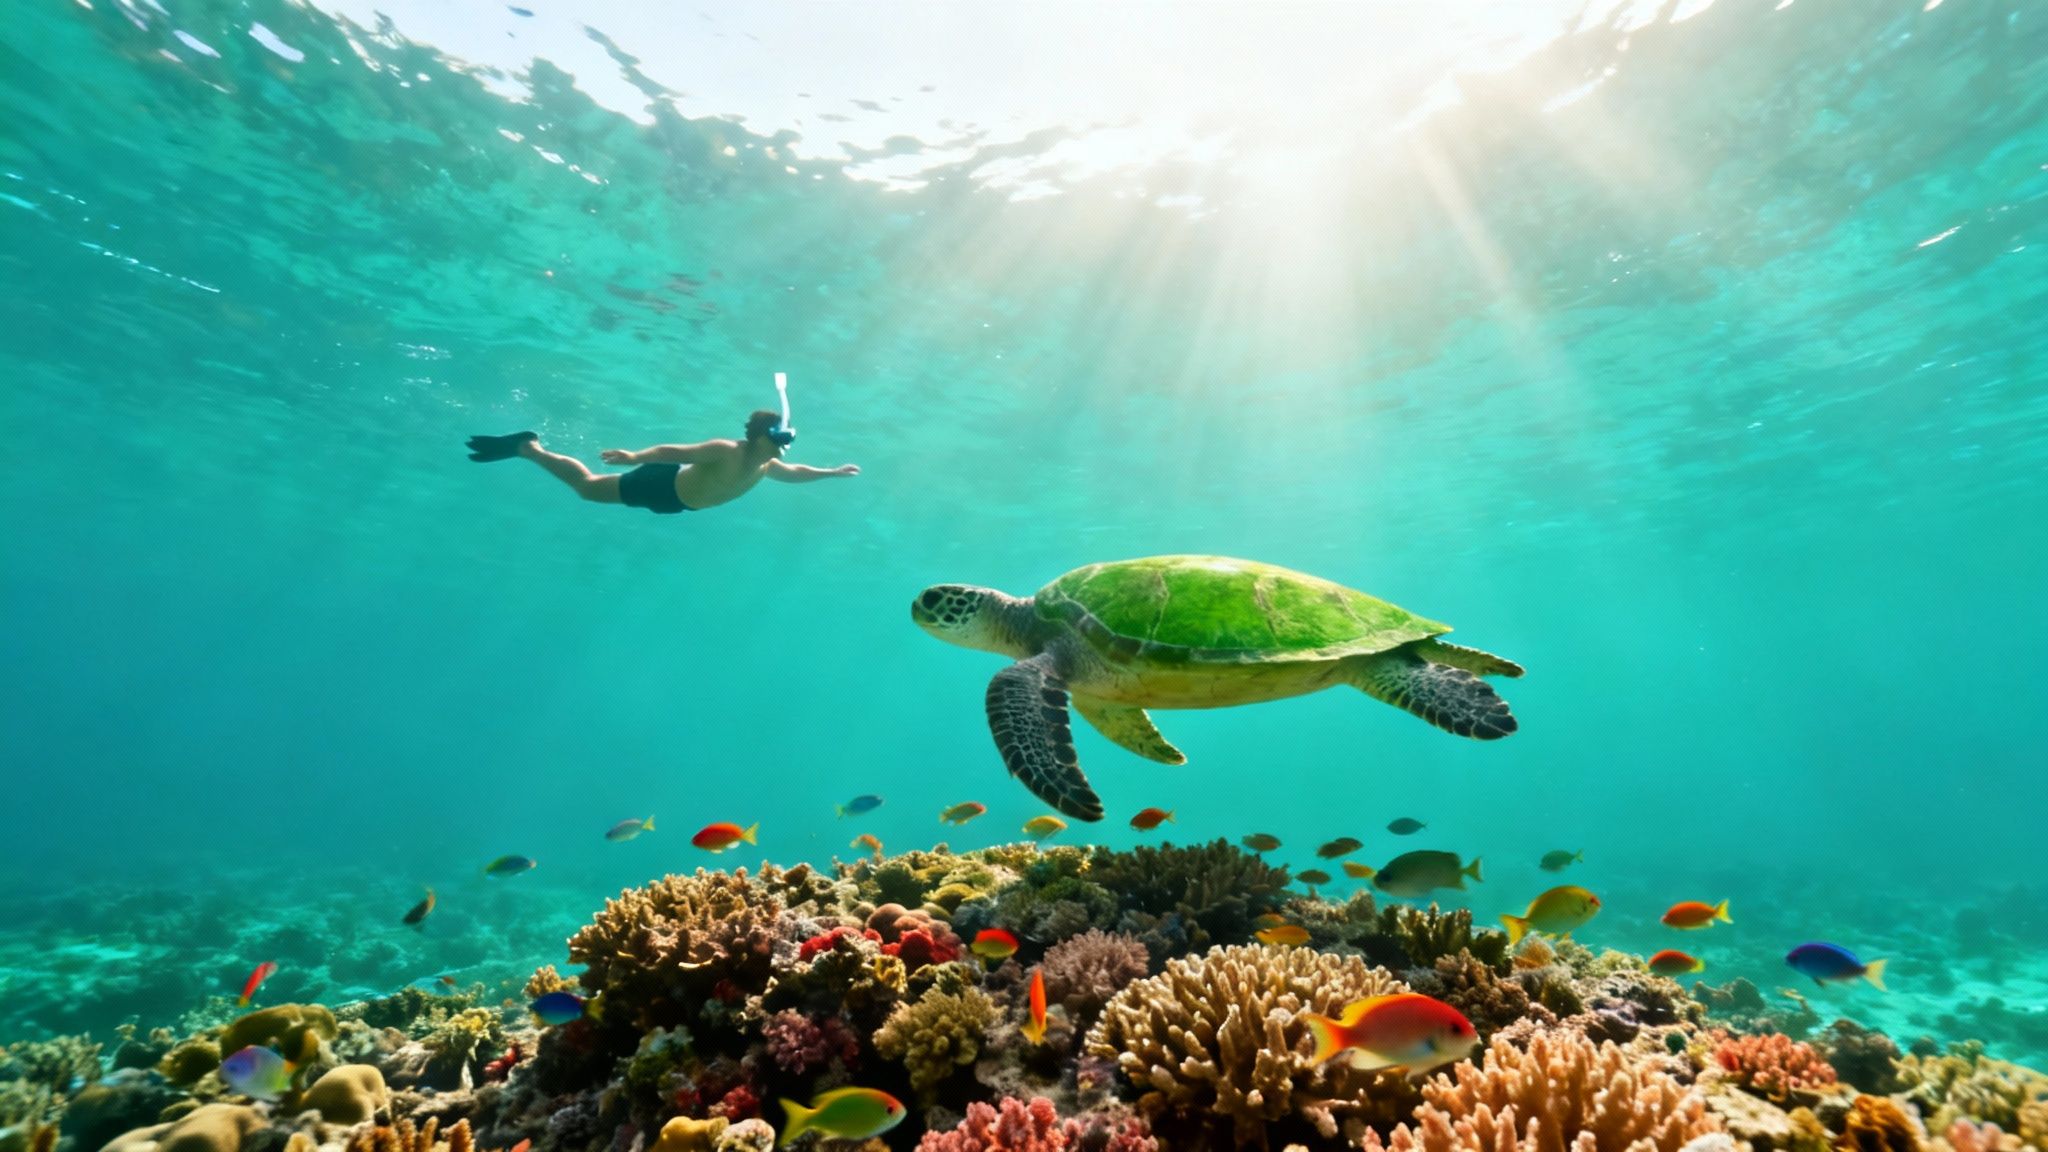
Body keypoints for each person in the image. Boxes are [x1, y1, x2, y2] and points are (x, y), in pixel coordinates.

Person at [464, 410, 858, 514]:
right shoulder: (730, 450)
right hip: (662, 483)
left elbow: (796, 474)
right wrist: (635, 457)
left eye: (790, 440)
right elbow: (675, 451)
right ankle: (528, 448)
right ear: (761, 437)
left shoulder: (765, 466)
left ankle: (527, 449)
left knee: (589, 490)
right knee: (587, 488)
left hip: (675, 501)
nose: (786, 447)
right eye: (782, 439)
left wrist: (831, 473)